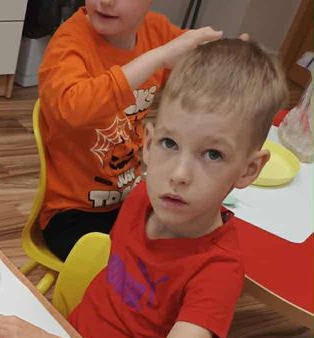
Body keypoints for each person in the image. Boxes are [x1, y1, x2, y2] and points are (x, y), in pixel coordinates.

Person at [0, 39, 288, 338]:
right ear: (147, 143)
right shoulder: (140, 198)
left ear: (249, 169)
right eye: (169, 143)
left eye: (213, 154)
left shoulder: (218, 271)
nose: (179, 174)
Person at [38, 0, 221, 259]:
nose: (106, 2)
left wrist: (226, 63)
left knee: (188, 244)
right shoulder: (69, 42)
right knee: (135, 265)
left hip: (131, 198)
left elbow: (197, 68)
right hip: (72, 214)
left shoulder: (156, 30)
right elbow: (72, 109)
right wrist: (158, 57)